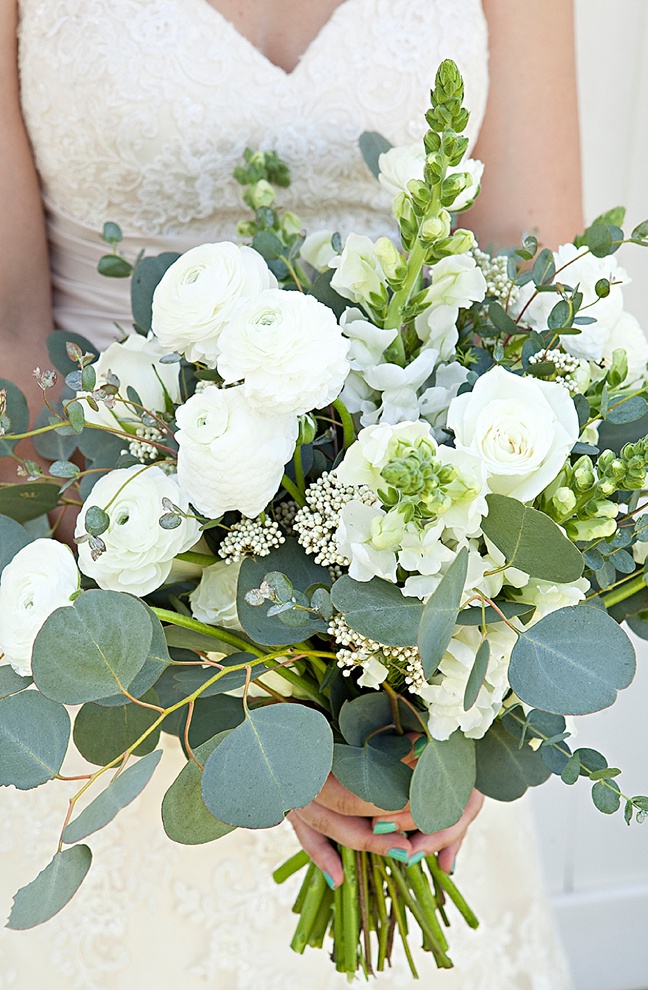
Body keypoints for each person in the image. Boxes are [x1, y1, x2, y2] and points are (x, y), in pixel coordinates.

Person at [0, 1, 580, 986]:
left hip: (404, 646)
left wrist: (451, 697)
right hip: (119, 627)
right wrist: (238, 698)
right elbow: (11, 345)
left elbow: (538, 309)